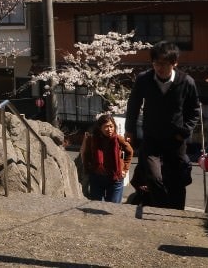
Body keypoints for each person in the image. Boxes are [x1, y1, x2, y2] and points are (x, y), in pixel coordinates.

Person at [125, 41, 201, 209]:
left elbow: (194, 110)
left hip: (176, 139)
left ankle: (177, 213)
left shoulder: (186, 82)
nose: (159, 67)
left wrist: (185, 132)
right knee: (153, 177)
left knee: (177, 179)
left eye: (164, 64)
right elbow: (133, 105)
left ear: (174, 63)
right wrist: (129, 130)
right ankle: (162, 210)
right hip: (151, 138)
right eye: (156, 63)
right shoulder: (144, 79)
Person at [80, 113, 133, 203]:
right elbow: (86, 154)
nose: (110, 129)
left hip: (115, 178)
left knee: (113, 206)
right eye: (106, 126)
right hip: (97, 177)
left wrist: (125, 169)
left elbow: (130, 152)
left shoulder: (118, 139)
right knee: (95, 205)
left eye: (111, 126)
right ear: (100, 127)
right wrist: (88, 169)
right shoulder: (92, 139)